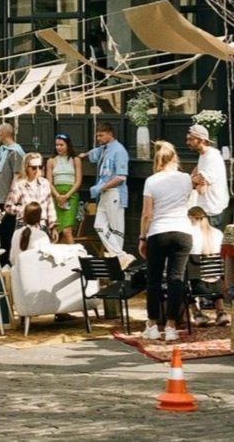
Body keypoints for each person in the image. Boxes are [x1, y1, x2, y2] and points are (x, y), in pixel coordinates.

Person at [138, 140, 193, 342]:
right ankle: (171, 325)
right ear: (175, 158)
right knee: (176, 279)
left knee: (153, 279)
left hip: (158, 232)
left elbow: (146, 214)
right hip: (182, 231)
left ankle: (152, 323)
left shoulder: (151, 181)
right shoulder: (186, 178)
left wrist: (142, 237)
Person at [80, 123, 130, 263]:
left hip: (114, 192)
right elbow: (92, 153)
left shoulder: (119, 151)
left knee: (116, 229)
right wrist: (81, 156)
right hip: (103, 194)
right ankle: (120, 256)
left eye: (101, 135)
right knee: (99, 225)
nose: (98, 138)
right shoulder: (104, 149)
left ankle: (119, 260)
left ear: (110, 134)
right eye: (97, 135)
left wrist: (100, 188)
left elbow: (121, 177)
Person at [0, 122, 26, 266]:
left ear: (4, 133)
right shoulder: (3, 150)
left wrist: (11, 197)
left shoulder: (15, 152)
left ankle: (6, 265)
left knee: (6, 234)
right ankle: (0, 265)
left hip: (8, 201)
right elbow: (0, 176)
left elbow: (17, 176)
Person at [186, 206, 229, 326]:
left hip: (197, 284)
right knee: (212, 272)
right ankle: (221, 312)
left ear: (191, 218)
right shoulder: (218, 233)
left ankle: (196, 313)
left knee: (181, 277)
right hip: (217, 281)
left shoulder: (189, 234)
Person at [4, 153, 58, 242]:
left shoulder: (45, 183)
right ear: (26, 168)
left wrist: (53, 227)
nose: (37, 170)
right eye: (33, 167)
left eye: (40, 167)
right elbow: (8, 206)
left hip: (41, 225)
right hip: (24, 225)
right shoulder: (20, 184)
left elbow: (50, 206)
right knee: (23, 254)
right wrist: (26, 211)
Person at [186, 123, 230, 229]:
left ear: (201, 140)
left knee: (210, 244)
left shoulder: (212, 157)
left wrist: (192, 181)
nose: (187, 142)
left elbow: (201, 189)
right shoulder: (203, 155)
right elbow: (196, 175)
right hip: (205, 208)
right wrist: (193, 179)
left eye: (191, 139)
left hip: (212, 211)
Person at [46, 133, 82, 245]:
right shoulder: (51, 161)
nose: (59, 147)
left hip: (71, 196)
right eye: (57, 145)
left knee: (67, 231)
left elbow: (78, 181)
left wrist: (67, 195)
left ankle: (76, 257)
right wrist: (57, 196)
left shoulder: (75, 160)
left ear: (68, 145)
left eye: (61, 145)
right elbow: (49, 182)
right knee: (56, 230)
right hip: (56, 196)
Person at [9, 202, 50, 266]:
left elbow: (12, 258)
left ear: (24, 216)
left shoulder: (16, 233)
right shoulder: (42, 235)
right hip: (34, 273)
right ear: (39, 218)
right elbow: (47, 259)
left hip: (18, 273)